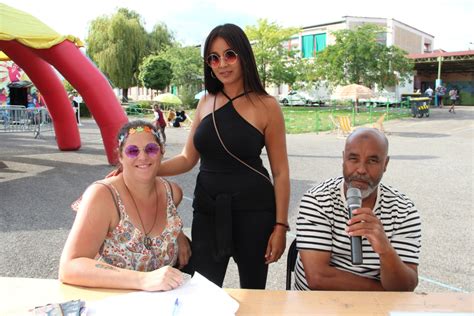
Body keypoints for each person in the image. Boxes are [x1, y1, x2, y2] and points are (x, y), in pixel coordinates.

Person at [158, 23, 290, 289]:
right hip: (208, 211)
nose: (222, 64)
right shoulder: (206, 101)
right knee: (202, 289)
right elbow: (187, 158)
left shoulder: (267, 105)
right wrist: (147, 169)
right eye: (214, 58)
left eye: (230, 55)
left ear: (243, 56)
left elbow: (281, 172)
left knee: (253, 293)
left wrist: (280, 226)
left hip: (255, 213)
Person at [59, 120, 191, 291]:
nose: (142, 157)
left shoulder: (172, 193)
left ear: (161, 152)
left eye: (151, 149)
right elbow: (69, 267)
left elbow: (167, 226)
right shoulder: (103, 195)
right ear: (120, 156)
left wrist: (178, 235)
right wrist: (143, 280)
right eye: (132, 151)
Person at [294, 128, 421, 291]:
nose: (361, 169)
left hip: (376, 308)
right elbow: (318, 278)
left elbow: (406, 286)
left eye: (372, 161)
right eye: (353, 159)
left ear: (385, 164)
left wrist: (385, 250)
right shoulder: (318, 199)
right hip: (317, 306)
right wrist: (383, 292)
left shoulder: (404, 211)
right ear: (343, 159)